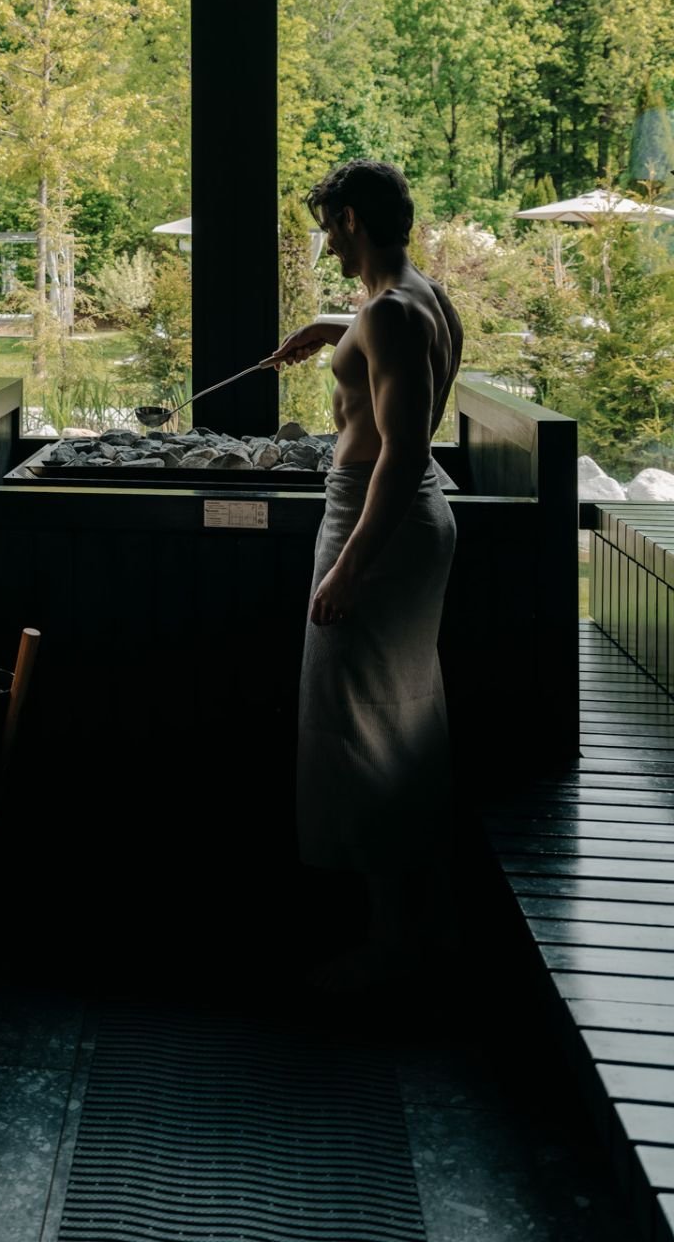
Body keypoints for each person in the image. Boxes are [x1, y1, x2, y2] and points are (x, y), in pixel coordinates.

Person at [267, 160, 463, 991]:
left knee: (367, 724)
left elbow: (402, 453)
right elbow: (390, 348)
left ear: (349, 219)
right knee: (394, 714)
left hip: (376, 523)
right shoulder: (423, 297)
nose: (325, 243)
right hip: (406, 523)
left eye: (327, 226)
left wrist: (349, 567)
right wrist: (326, 329)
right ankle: (404, 928)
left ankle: (394, 946)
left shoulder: (385, 314)